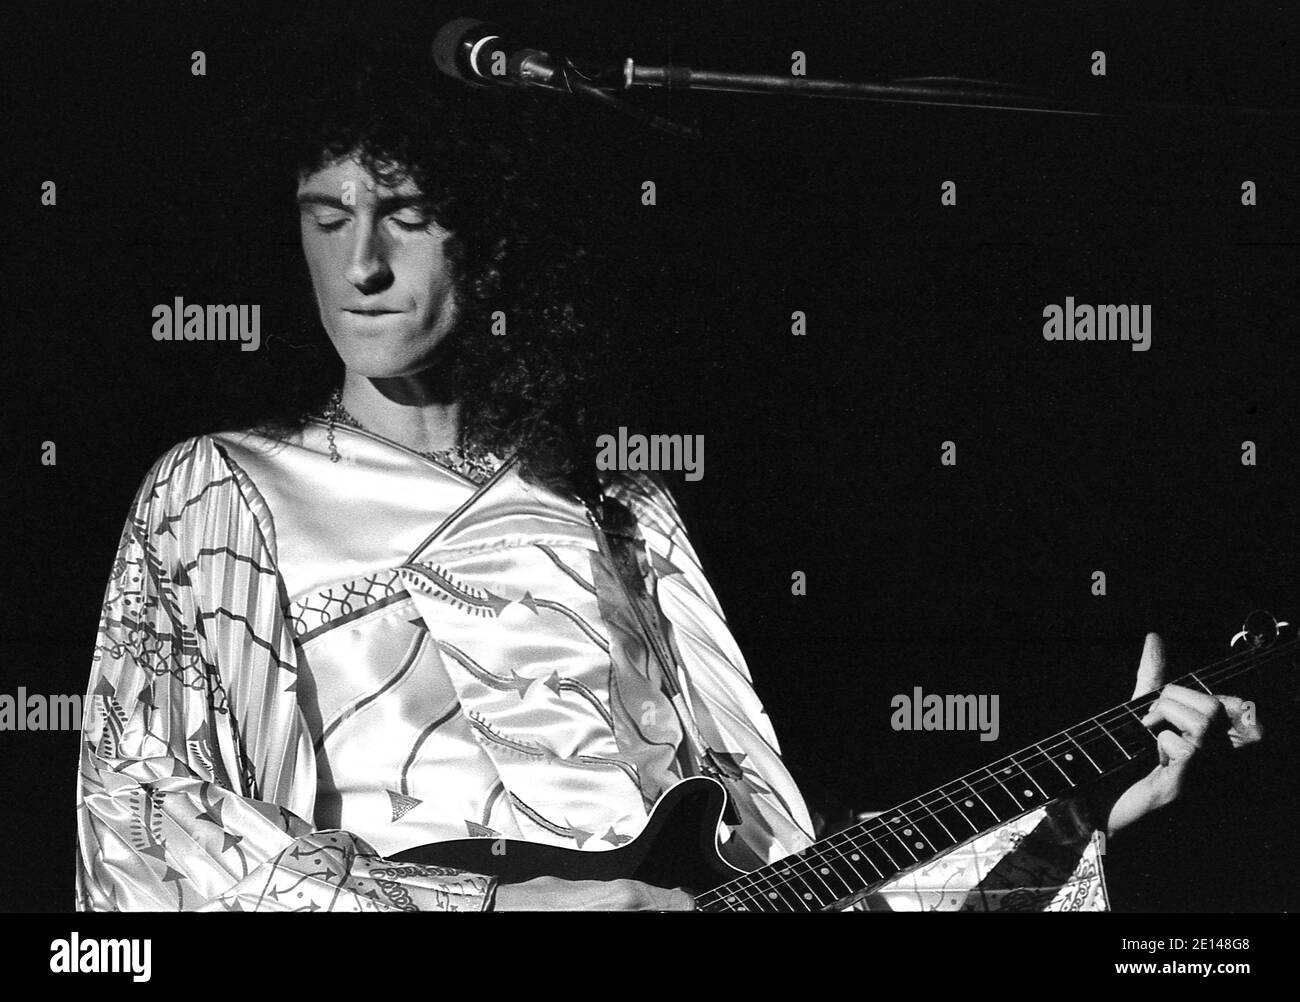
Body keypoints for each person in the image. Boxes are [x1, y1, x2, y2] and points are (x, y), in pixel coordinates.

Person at [75, 47, 1263, 912]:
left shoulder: (623, 516)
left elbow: (785, 885)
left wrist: (1088, 809)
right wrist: (496, 911)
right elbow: (151, 823)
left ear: (492, 242)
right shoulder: (220, 490)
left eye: (409, 215)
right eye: (327, 220)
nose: (365, 264)